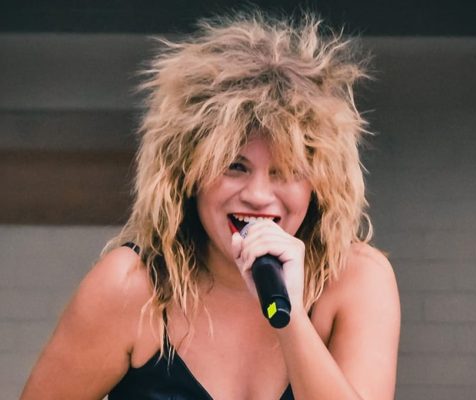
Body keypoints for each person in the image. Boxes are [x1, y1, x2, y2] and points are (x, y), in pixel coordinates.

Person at [21, 11, 400, 400]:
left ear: (320, 184)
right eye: (235, 166)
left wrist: (289, 318)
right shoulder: (130, 286)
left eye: (285, 171)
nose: (258, 195)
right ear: (187, 173)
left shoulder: (357, 280)